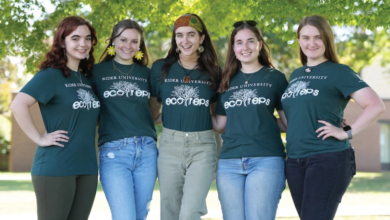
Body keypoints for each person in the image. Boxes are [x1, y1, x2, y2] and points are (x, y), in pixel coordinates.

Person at [282, 15, 386, 220]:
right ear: (299, 40)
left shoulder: (339, 72)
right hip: (294, 160)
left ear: (327, 40)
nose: (311, 43)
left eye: (318, 37)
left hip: (327, 157)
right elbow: (293, 119)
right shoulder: (296, 74)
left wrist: (346, 132)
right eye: (305, 37)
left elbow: (376, 105)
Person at [10, 16, 99, 220]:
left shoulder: (86, 79)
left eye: (87, 38)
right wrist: (40, 138)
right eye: (75, 38)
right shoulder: (50, 76)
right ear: (62, 41)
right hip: (56, 166)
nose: (83, 44)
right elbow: (18, 104)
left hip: (87, 168)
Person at [211, 20, 288, 220]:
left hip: (266, 160)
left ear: (260, 44)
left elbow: (287, 123)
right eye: (239, 42)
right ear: (233, 47)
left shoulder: (275, 78)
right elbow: (220, 125)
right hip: (229, 163)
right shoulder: (226, 81)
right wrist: (192, 108)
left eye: (250, 41)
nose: (245, 47)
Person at [150, 13, 220, 220]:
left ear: (202, 38)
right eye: (179, 35)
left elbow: (216, 115)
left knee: (190, 212)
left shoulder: (215, 72)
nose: (185, 40)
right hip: (170, 145)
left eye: (191, 35)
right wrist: (174, 114)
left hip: (203, 146)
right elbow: (154, 113)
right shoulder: (160, 69)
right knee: (169, 210)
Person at [89, 19, 159, 220]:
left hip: (147, 151)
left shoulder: (147, 74)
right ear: (112, 41)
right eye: (123, 40)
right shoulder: (96, 72)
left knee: (140, 216)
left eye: (134, 41)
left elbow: (154, 109)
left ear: (140, 45)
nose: (128, 46)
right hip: (114, 153)